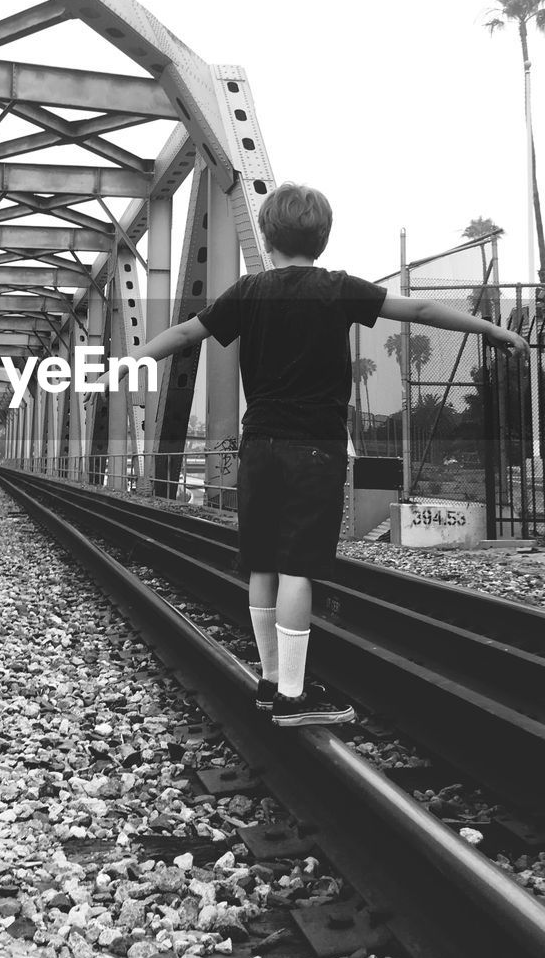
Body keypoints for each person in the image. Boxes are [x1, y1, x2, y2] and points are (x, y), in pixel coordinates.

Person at [96, 183, 528, 727]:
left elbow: (186, 331)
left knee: (261, 562)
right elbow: (417, 308)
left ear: (267, 237)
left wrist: (130, 359)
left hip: (261, 446)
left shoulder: (247, 293)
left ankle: (272, 680)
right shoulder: (338, 289)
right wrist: (489, 327)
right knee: (298, 565)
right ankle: (295, 698)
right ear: (321, 237)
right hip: (316, 448)